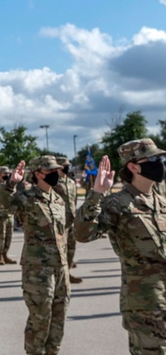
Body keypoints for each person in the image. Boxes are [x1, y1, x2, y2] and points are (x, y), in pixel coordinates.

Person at [75, 139, 166, 353]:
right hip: (145, 302)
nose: (159, 163)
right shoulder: (118, 203)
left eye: (160, 158)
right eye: (153, 159)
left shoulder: (161, 202)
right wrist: (97, 193)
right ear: (133, 166)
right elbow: (83, 234)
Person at [0, 156, 70, 355]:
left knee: (59, 317)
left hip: (61, 267)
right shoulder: (27, 198)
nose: (56, 174)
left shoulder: (58, 199)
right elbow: (5, 205)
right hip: (38, 268)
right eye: (50, 171)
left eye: (57, 170)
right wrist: (12, 183)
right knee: (40, 317)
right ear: (38, 174)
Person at [52, 156, 82, 284]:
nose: (67, 167)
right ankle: (60, 276)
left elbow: (74, 201)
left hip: (71, 220)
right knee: (60, 250)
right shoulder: (54, 183)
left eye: (67, 165)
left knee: (71, 248)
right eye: (64, 165)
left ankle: (68, 272)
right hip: (60, 222)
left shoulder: (71, 182)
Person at [0, 166, 17, 266]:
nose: (6, 175)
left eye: (8, 173)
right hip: (0, 215)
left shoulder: (10, 185)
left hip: (9, 214)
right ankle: (0, 256)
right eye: (4, 173)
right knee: (0, 236)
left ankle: (5, 255)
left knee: (8, 237)